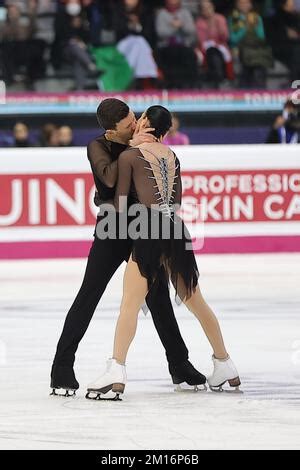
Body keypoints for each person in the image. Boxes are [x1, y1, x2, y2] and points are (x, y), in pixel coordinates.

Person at [50, 98, 206, 397]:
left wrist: (136, 146)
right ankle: (61, 368)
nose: (136, 124)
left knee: (159, 298)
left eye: (135, 118)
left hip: (142, 230)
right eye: (128, 124)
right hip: (113, 228)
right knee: (89, 295)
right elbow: (108, 181)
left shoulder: (140, 144)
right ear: (112, 131)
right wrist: (132, 148)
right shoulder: (99, 146)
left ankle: (180, 364)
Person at [86, 105, 241, 400]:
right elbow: (176, 201)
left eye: (140, 118)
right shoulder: (173, 155)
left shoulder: (131, 156)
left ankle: (116, 371)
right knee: (196, 301)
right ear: (166, 131)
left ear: (144, 123)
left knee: (129, 303)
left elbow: (119, 205)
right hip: (176, 230)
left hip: (149, 231)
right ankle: (224, 363)